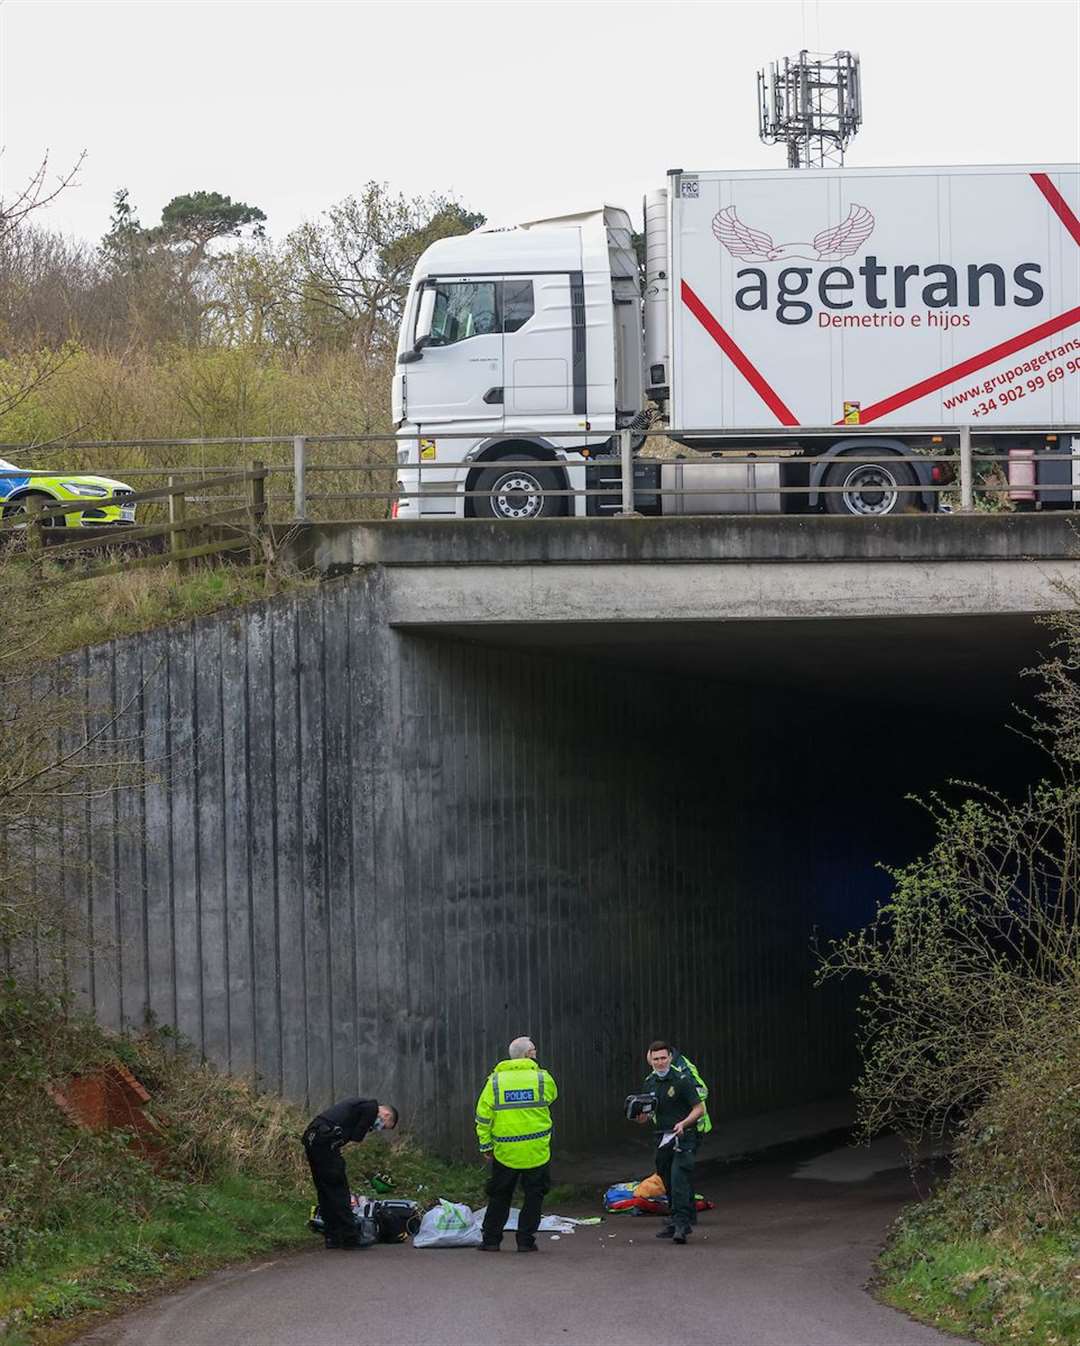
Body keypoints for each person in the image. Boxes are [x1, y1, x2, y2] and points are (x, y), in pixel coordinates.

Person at [474, 1036, 558, 1252]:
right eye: (534, 1050)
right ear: (528, 1054)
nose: (536, 1054)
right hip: (536, 1149)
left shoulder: (494, 1082)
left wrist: (485, 1146)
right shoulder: (543, 1079)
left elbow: (483, 1117)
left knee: (500, 1195)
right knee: (534, 1196)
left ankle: (491, 1240)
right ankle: (525, 1241)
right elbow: (551, 1097)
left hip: (505, 1150)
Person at [302, 1096, 399, 1249]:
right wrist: (368, 1127)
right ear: (386, 1115)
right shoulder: (371, 1108)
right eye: (385, 1126)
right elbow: (357, 1136)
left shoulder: (358, 1105)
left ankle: (332, 1236)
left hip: (313, 1139)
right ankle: (349, 1237)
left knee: (325, 1190)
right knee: (339, 1189)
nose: (380, 1128)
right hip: (326, 1142)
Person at [633, 1040, 703, 1244]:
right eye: (656, 1059)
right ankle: (675, 1220)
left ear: (670, 1058)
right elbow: (648, 1112)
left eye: (664, 1058)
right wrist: (640, 1117)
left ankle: (682, 1225)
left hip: (683, 1137)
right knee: (667, 1179)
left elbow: (699, 1109)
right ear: (650, 1060)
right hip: (662, 1138)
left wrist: (684, 1123)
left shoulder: (682, 1080)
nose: (660, 1062)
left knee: (679, 1179)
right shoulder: (650, 1082)